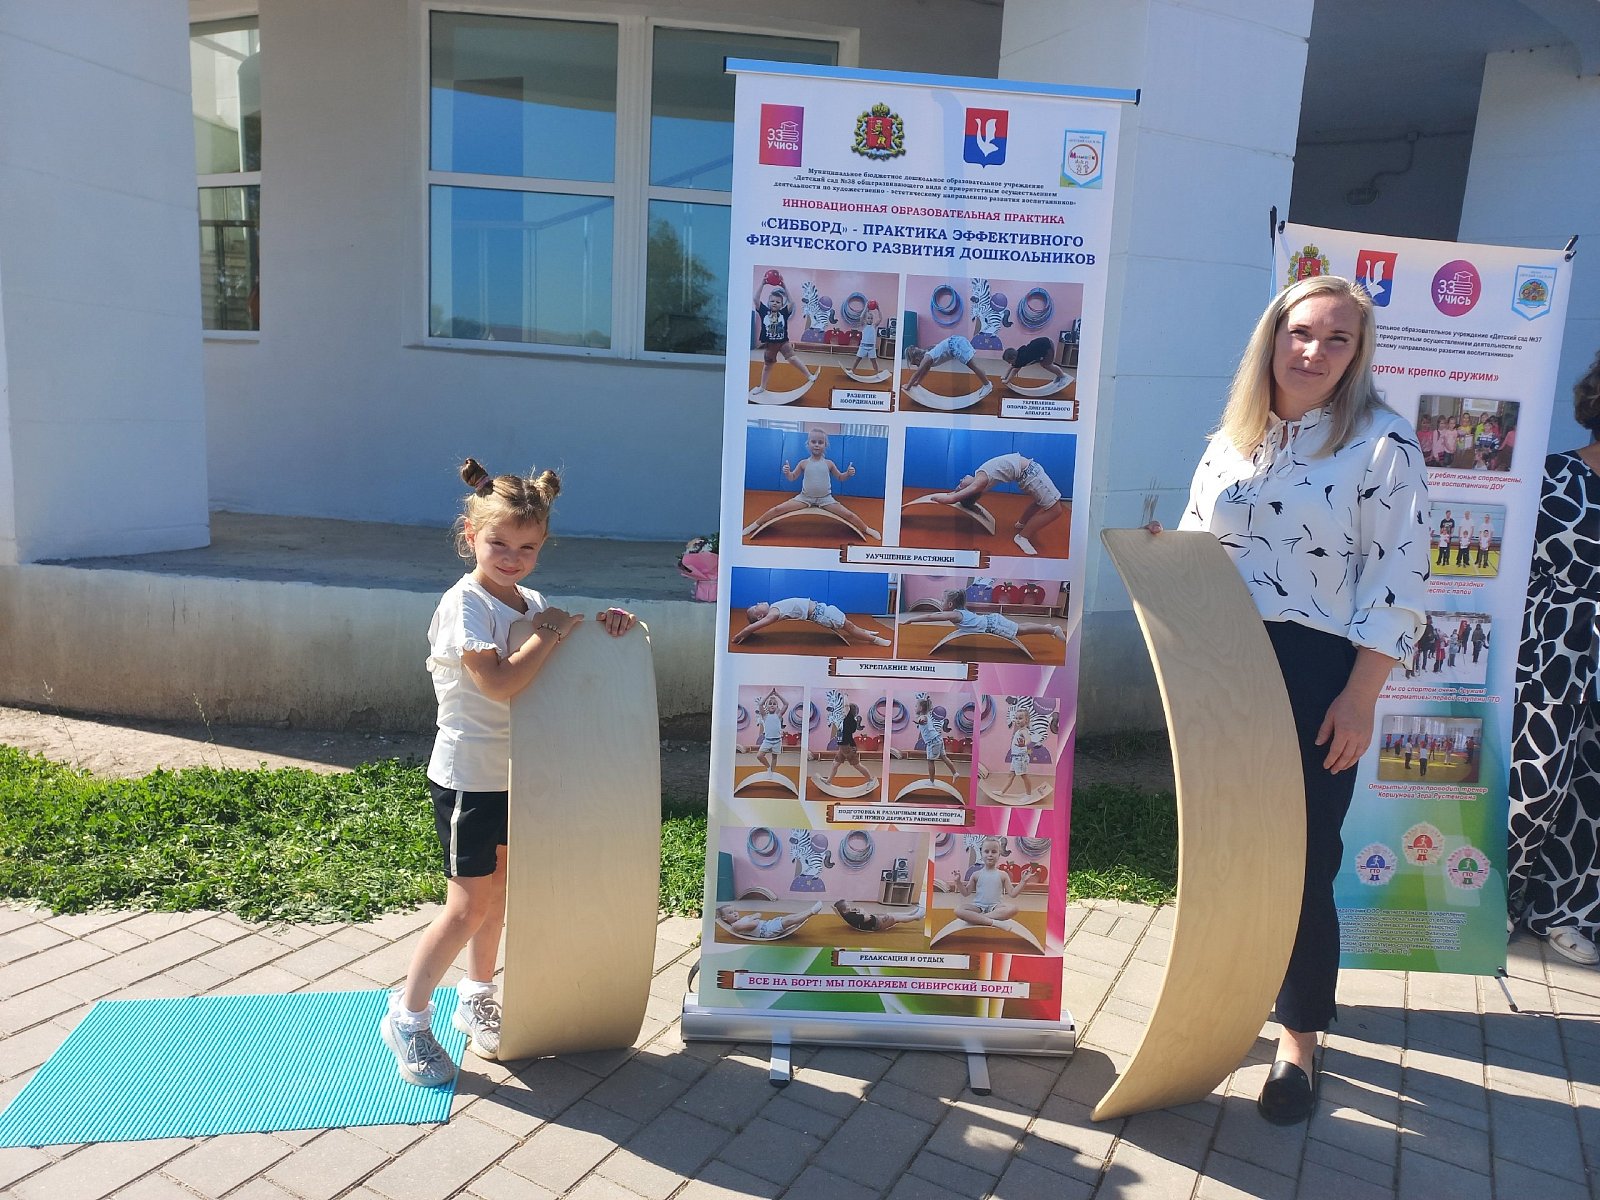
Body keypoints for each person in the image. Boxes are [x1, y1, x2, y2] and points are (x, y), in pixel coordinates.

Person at [1155, 275, 1428, 1123]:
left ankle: (1300, 1038)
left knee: (1302, 861)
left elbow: (1398, 582)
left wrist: (1360, 697)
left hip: (1318, 673)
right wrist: (1164, 558)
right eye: (1301, 331)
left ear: (1358, 353)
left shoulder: (1383, 445)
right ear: (1271, 337)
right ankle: (1224, 1003)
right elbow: (1199, 545)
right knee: (1225, 850)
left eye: (1337, 338)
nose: (1314, 351)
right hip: (1221, 665)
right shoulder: (1231, 440)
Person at [381, 459, 637, 1087]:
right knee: (466, 906)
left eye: (527, 547)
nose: (512, 558)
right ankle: (407, 1019)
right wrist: (547, 634)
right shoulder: (464, 605)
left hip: (518, 776)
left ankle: (476, 995)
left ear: (542, 545)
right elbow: (497, 683)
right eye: (499, 543)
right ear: (471, 535)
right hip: (470, 777)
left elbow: (561, 661)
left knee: (496, 896)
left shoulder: (533, 604)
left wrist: (612, 631)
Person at [1509, 348, 1600, 966]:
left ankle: (1567, 911)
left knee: (1592, 794)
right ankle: (1496, 899)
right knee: (1533, 785)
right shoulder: (1552, 476)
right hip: (1551, 653)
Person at [742, 427, 881, 541]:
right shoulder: (803, 463)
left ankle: (867, 529)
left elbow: (840, 477)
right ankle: (754, 525)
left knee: (849, 515)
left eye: (820, 442)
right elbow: (792, 478)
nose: (816, 445)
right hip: (804, 498)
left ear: (825, 445)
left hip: (826, 499)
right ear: (808, 444)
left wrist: (848, 473)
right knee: (777, 509)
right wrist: (787, 472)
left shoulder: (829, 463)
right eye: (813, 442)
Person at [922, 452, 1067, 556]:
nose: (960, 480)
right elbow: (955, 498)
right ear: (969, 490)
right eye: (960, 485)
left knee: (1039, 502)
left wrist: (954, 493)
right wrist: (948, 497)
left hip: (1028, 472)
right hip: (1030, 474)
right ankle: (1023, 537)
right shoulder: (980, 483)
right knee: (1055, 510)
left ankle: (1022, 523)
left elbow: (959, 494)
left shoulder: (979, 477)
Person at [899, 587, 1068, 647]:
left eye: (942, 600)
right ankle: (1047, 628)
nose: (940, 602)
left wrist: (912, 619)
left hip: (992, 625)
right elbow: (934, 614)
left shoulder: (954, 614)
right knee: (1021, 627)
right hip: (991, 620)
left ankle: (1052, 629)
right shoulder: (958, 611)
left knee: (1021, 630)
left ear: (950, 604)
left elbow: (931, 616)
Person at [735, 597, 891, 647]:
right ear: (760, 616)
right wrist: (743, 633)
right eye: (756, 606)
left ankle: (865, 633)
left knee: (848, 624)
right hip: (821, 614)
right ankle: (874, 640)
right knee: (848, 626)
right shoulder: (773, 614)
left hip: (821, 608)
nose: (759, 602)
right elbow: (754, 627)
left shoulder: (774, 608)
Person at [752, 273, 813, 396]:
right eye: (772, 301)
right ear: (768, 302)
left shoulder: (784, 312)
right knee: (767, 366)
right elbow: (755, 299)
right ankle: (762, 387)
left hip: (783, 342)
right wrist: (762, 284)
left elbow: (792, 302)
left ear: (781, 304)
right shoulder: (764, 311)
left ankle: (809, 375)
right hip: (770, 344)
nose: (775, 303)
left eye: (778, 302)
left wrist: (784, 286)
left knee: (792, 358)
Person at [950, 836, 1033, 926]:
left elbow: (1013, 894)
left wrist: (1023, 881)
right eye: (986, 851)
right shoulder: (976, 874)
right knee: (958, 910)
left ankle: (979, 918)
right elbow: (966, 893)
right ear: (981, 853)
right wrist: (958, 882)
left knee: (1013, 909)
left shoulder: (1003, 874)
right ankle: (991, 921)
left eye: (994, 852)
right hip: (978, 907)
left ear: (999, 854)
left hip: (996, 907)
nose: (990, 854)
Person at [904, 335, 991, 393]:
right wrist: (917, 382)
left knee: (973, 366)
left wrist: (908, 386)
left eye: (916, 364)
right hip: (956, 341)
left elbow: (917, 373)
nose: (918, 366)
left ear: (917, 359)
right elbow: (923, 373)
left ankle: (987, 385)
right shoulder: (928, 358)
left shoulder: (927, 358)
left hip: (956, 344)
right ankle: (986, 382)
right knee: (974, 366)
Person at [717, 902, 823, 938]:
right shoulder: (735, 926)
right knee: (788, 921)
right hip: (766, 931)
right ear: (725, 918)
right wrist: (753, 918)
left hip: (768, 924)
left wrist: (753, 918)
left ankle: (808, 910)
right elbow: (754, 924)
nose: (735, 913)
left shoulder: (742, 919)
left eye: (735, 911)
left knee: (789, 917)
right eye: (730, 913)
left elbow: (758, 914)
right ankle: (811, 912)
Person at [1000, 336, 1071, 389]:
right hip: (1043, 343)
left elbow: (1015, 370)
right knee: (1044, 364)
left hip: (1047, 346)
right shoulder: (1018, 353)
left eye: (1009, 361)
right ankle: (1059, 375)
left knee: (1047, 365)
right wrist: (1005, 377)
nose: (1009, 363)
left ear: (1013, 358)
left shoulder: (1021, 359)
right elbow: (1012, 366)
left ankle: (1063, 376)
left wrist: (1007, 381)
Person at [751, 689, 788, 774]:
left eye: (774, 704)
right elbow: (761, 704)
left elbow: (786, 704)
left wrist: (777, 694)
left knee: (774, 758)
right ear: (766, 706)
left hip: (777, 741)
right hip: (767, 741)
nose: (772, 705)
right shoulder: (764, 716)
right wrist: (770, 694)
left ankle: (771, 772)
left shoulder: (779, 715)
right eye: (770, 704)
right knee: (759, 756)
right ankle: (768, 767)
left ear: (777, 706)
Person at [833, 899, 925, 931]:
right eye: (848, 906)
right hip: (877, 924)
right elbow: (867, 917)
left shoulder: (848, 914)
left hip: (876, 920)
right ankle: (916, 917)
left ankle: (909, 914)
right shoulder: (852, 917)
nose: (850, 906)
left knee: (891, 914)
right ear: (844, 910)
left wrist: (859, 911)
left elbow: (862, 914)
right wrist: (862, 911)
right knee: (894, 918)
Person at [852, 300, 883, 376]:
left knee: (873, 361)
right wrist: (866, 307)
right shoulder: (864, 325)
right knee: (858, 359)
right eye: (868, 318)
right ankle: (852, 370)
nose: (870, 319)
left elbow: (880, 318)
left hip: (871, 347)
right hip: (863, 346)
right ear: (866, 319)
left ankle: (877, 373)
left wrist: (878, 309)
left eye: (871, 318)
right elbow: (861, 317)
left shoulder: (874, 326)